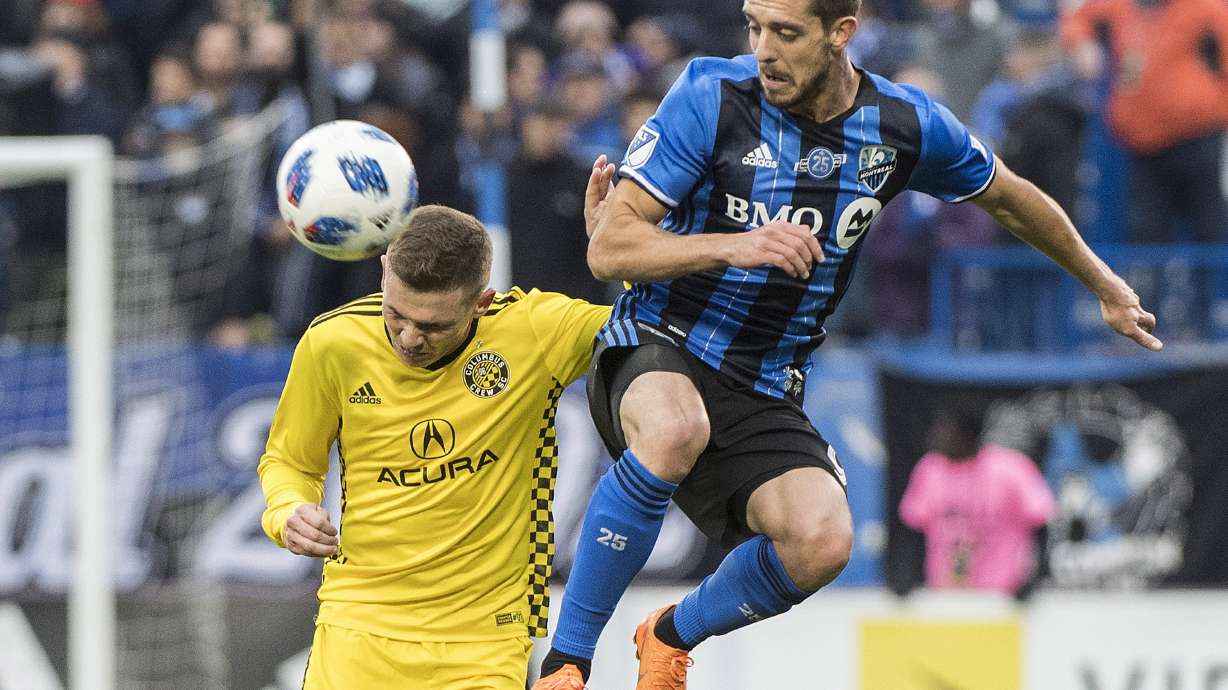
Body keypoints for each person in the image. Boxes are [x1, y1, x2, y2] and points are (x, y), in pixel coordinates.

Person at [533, 0, 1162, 688]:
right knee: (675, 426)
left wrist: (1103, 284)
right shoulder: (709, 96)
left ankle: (669, 634)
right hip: (661, 338)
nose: (764, 49)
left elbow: (1010, 197)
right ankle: (567, 663)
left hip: (764, 379)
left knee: (822, 542)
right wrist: (738, 245)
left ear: (842, 34)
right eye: (754, 27)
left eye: (786, 32)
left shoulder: (904, 125)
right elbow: (611, 247)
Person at [258, 180, 613, 688]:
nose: (408, 338)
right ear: (384, 271)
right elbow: (289, 460)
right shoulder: (332, 343)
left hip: (485, 642)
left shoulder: (537, 333)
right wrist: (287, 511)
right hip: (357, 624)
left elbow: (651, 325)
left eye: (432, 326)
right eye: (396, 314)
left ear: (482, 303)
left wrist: (617, 254)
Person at [900, 406, 1054, 594]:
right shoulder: (929, 468)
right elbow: (913, 527)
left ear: (968, 434)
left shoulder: (1011, 468)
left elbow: (1040, 523)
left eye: (945, 429)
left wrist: (1034, 577)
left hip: (1002, 596)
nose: (935, 436)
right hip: (944, 595)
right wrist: (906, 576)